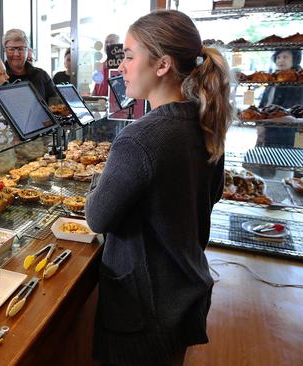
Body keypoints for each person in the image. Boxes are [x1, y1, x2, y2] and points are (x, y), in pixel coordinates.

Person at [85, 10, 232, 366]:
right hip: (183, 289)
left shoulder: (140, 138)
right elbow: (206, 197)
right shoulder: (203, 123)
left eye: (130, 56)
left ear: (163, 64)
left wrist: (98, 179)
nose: (121, 67)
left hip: (142, 308)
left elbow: (97, 216)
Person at [257, 49, 303, 147]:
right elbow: (265, 103)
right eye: (278, 57)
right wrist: (260, 123)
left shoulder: (298, 81)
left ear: (295, 60)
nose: (280, 60)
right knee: (265, 156)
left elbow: (293, 110)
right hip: (268, 126)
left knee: (284, 157)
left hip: (287, 130)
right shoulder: (274, 78)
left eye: (285, 57)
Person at [3, 28, 56, 102]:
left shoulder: (41, 75)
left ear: (27, 50)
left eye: (21, 49)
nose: (16, 54)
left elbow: (56, 103)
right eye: (11, 49)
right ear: (5, 50)